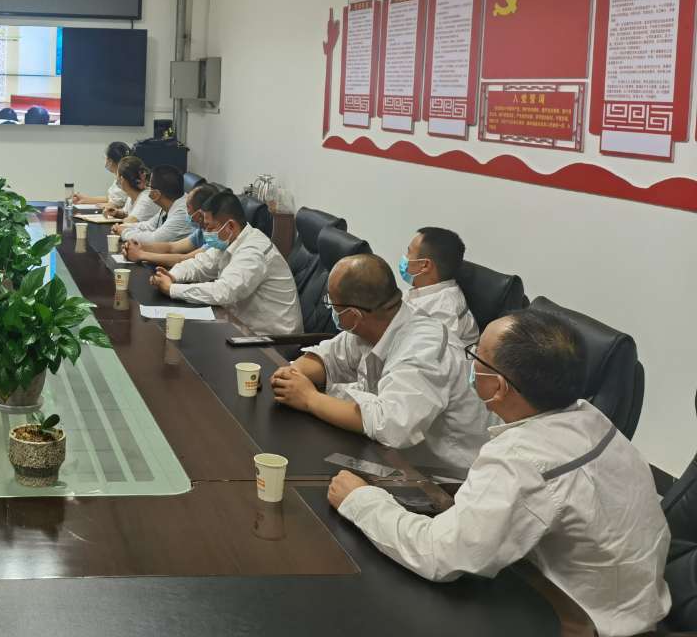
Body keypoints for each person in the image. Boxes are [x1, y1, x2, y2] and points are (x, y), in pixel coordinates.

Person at [328, 308, 671, 637]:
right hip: (626, 603)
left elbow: (439, 556)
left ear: (497, 386)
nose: (470, 363)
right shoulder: (592, 418)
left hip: (578, 619)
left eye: (476, 356)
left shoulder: (523, 458)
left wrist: (360, 500)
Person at [271, 254, 489, 471]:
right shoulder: (376, 321)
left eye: (332, 304)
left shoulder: (423, 348)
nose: (332, 310)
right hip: (391, 454)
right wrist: (292, 374)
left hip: (446, 474)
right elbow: (329, 357)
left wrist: (309, 398)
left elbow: (390, 425)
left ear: (354, 315)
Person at [150, 191, 302, 336]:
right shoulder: (230, 240)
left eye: (210, 227)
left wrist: (172, 289)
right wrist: (171, 276)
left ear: (230, 226)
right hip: (240, 327)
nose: (206, 232)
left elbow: (223, 292)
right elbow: (199, 265)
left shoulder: (254, 251)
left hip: (273, 341)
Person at [401, 226, 478, 345]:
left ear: (425, 265)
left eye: (409, 252)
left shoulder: (445, 311)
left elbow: (423, 352)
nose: (405, 258)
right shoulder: (424, 289)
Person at [123, 183, 221, 267]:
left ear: (200, 214)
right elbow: (171, 247)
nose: (186, 211)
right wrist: (139, 246)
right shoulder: (201, 231)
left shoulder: (217, 238)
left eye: (188, 207)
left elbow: (184, 259)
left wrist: (140, 255)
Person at [115, 164, 191, 243]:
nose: (148, 190)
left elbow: (154, 239)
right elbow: (149, 225)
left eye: (150, 186)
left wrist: (125, 233)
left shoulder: (182, 213)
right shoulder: (170, 202)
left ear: (156, 193)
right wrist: (123, 227)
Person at [73, 141, 132, 210]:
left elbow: (118, 203)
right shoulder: (120, 177)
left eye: (106, 158)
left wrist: (109, 206)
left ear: (110, 161)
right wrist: (86, 199)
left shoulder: (124, 180)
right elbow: (111, 198)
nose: (105, 163)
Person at [105, 155, 158, 222]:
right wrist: (117, 213)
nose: (117, 179)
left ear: (122, 179)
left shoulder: (146, 198)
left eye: (118, 175)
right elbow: (127, 214)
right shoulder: (132, 196)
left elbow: (131, 221)